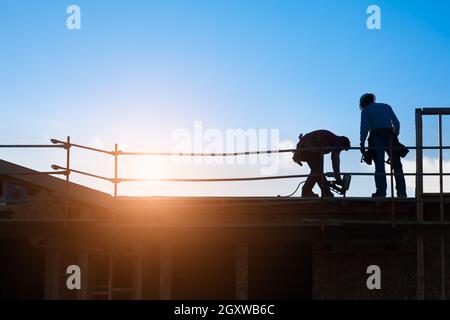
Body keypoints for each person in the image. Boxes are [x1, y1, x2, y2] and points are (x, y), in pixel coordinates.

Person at [359, 93, 407, 198]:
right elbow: (396, 123)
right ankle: (402, 193)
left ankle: (381, 193)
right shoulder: (386, 106)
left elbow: (364, 128)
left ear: (364, 103)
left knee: (379, 167)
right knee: (397, 166)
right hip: (390, 136)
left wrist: (362, 143)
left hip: (376, 138)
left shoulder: (365, 111)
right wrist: (395, 135)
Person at [293, 130, 350, 198]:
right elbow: (335, 161)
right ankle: (307, 191)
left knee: (318, 171)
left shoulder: (332, 139)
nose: (340, 150)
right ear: (343, 143)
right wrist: (338, 178)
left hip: (304, 147)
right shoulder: (337, 141)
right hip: (309, 147)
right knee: (317, 171)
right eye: (342, 149)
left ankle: (325, 192)